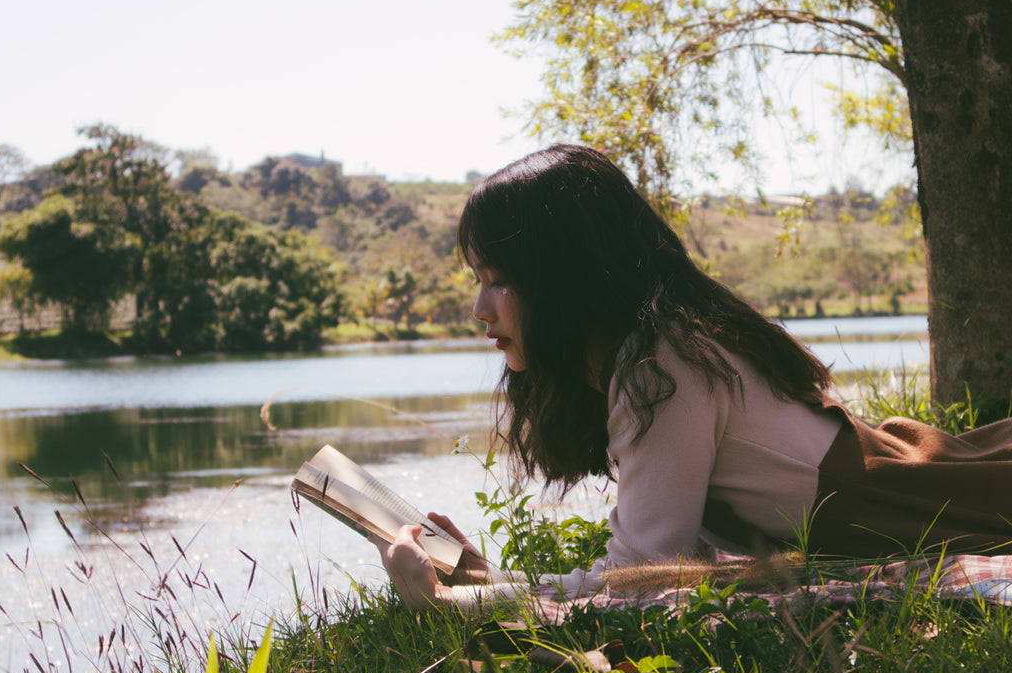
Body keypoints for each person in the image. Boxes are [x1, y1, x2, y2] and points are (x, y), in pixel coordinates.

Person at [373, 144, 1012, 611]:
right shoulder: (650, 352)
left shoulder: (662, 365)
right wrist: (487, 578)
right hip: (893, 484)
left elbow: (646, 577)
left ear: (562, 277)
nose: (479, 310)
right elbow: (666, 566)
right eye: (479, 282)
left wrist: (453, 603)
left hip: (913, 501)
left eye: (499, 281)